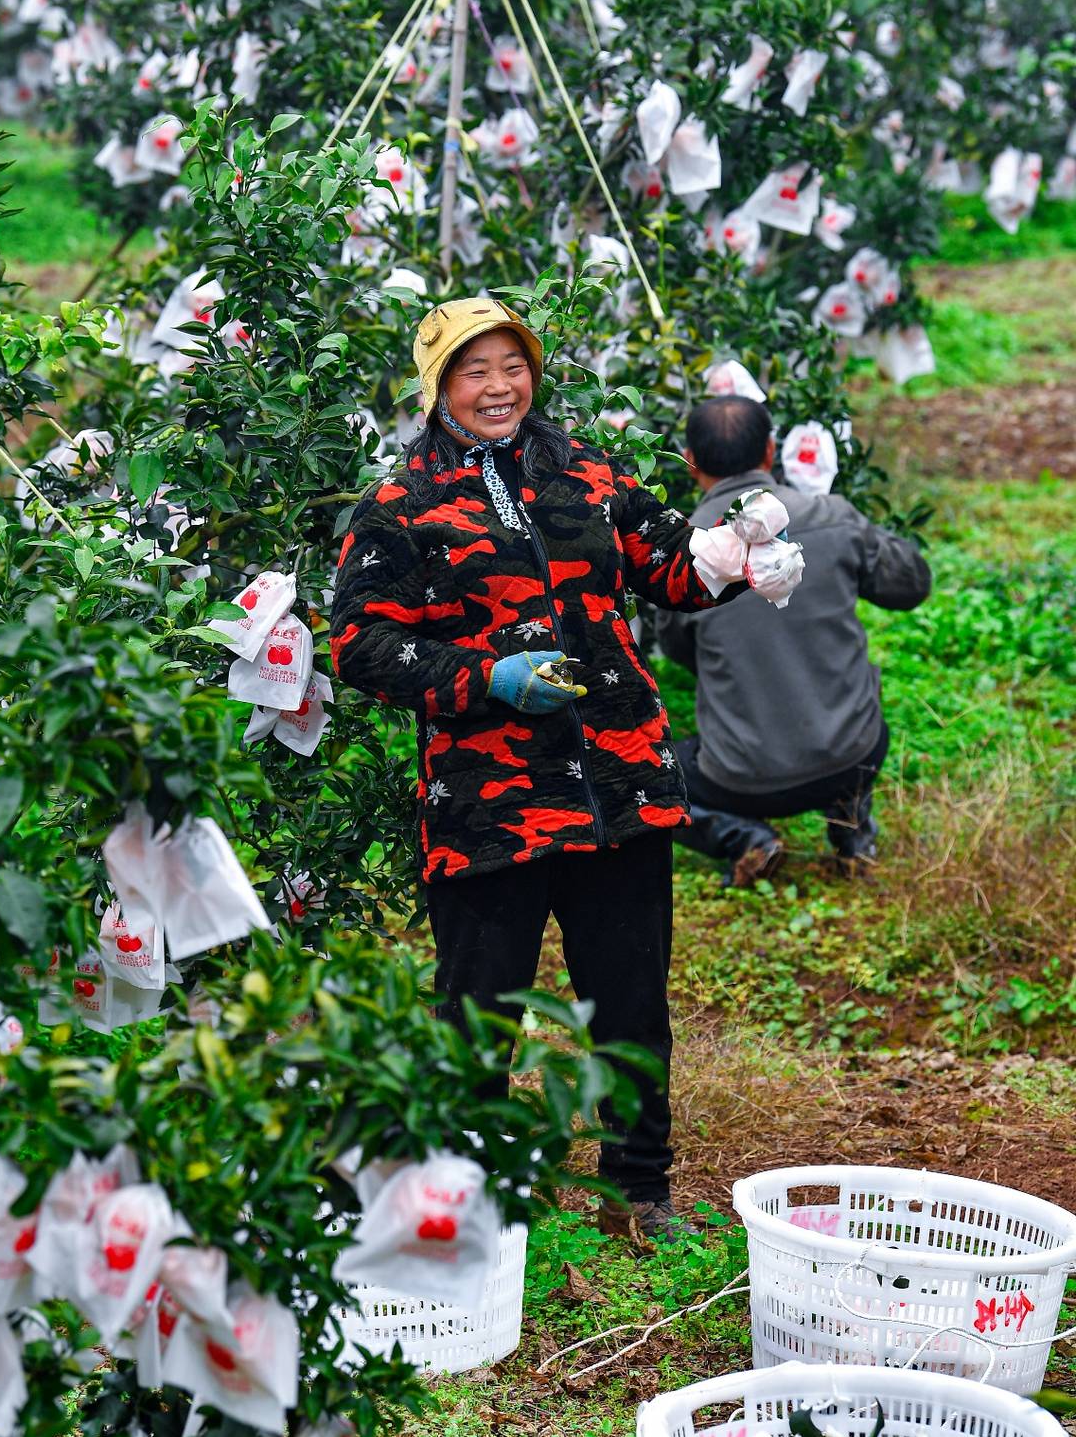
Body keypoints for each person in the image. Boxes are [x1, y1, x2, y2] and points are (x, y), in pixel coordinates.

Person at [330, 299, 792, 1239]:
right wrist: (482, 678)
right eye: (474, 370)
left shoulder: (586, 473)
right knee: (479, 1012)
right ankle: (468, 1198)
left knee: (630, 1002)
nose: (499, 387)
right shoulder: (401, 506)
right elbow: (360, 646)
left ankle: (639, 1189)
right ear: (438, 386)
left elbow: (662, 566)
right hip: (490, 802)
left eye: (513, 366)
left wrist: (732, 549)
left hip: (616, 783)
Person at [660, 394, 931, 887]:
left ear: (691, 462)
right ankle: (853, 835)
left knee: (647, 775)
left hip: (740, 779)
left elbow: (681, 653)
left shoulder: (686, 550)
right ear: (770, 450)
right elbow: (910, 586)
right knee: (849, 689)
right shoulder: (831, 515)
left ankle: (741, 835)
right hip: (855, 757)